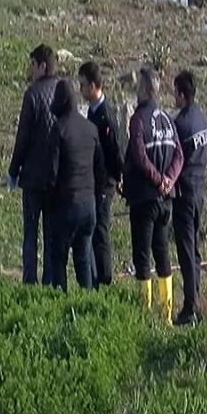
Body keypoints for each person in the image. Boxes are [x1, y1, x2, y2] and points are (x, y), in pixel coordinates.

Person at [122, 66, 184, 326]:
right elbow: (180, 155)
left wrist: (158, 180)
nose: (135, 91)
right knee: (163, 255)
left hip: (145, 199)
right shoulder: (168, 120)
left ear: (146, 90)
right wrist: (169, 180)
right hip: (166, 201)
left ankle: (145, 315)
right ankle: (167, 316)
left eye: (138, 87)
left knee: (142, 257)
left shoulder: (138, 119)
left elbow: (138, 154)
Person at [47, 79, 105, 292]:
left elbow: (52, 172)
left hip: (65, 205)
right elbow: (100, 168)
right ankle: (87, 307)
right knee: (83, 261)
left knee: (58, 259)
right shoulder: (90, 129)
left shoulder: (59, 130)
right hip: (88, 205)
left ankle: (60, 305)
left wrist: (49, 199)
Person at [8, 44, 58, 285]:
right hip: (55, 177)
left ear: (42, 66)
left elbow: (23, 137)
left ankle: (29, 281)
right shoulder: (62, 91)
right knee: (50, 233)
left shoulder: (32, 94)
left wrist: (13, 170)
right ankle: (49, 280)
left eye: (32, 64)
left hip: (32, 177)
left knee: (30, 232)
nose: (30, 69)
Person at [78, 61, 124, 288]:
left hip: (105, 181)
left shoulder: (106, 115)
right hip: (95, 180)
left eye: (84, 85)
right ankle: (97, 276)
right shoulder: (93, 112)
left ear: (95, 86)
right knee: (95, 229)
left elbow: (115, 150)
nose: (81, 90)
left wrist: (117, 178)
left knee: (101, 230)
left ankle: (105, 280)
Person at [171, 70, 207, 326]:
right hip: (200, 193)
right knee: (194, 250)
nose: (173, 96)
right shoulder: (202, 120)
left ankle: (189, 308)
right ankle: (195, 297)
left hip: (184, 195)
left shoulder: (180, 125)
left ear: (182, 95)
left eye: (175, 92)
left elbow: (173, 160)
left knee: (186, 252)